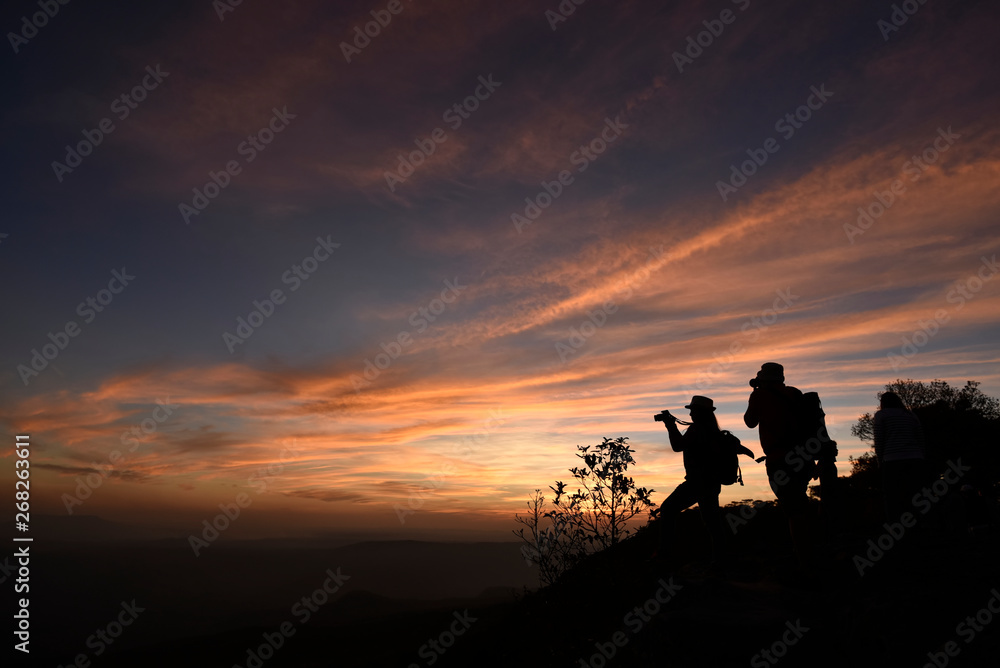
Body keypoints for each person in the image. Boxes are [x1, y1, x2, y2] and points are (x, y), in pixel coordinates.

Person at [655, 395, 753, 562]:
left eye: (693, 410)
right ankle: (720, 560)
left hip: (697, 483)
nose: (691, 414)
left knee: (668, 510)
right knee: (713, 523)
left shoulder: (697, 429)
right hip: (712, 483)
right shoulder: (712, 431)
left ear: (700, 412)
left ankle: (665, 556)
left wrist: (670, 425)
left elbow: (678, 446)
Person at [743, 362, 813, 564]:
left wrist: (756, 393)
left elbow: (749, 422)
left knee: (793, 510)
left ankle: (805, 560)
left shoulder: (759, 396)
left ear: (763, 379)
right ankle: (810, 550)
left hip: (779, 460)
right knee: (800, 502)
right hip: (803, 457)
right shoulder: (794, 393)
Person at [873, 391, 927, 523]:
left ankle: (895, 525)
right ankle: (920, 523)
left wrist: (879, 460)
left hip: (892, 460)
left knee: (893, 496)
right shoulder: (910, 415)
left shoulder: (881, 415)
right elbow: (920, 439)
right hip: (915, 459)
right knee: (915, 493)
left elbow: (879, 440)